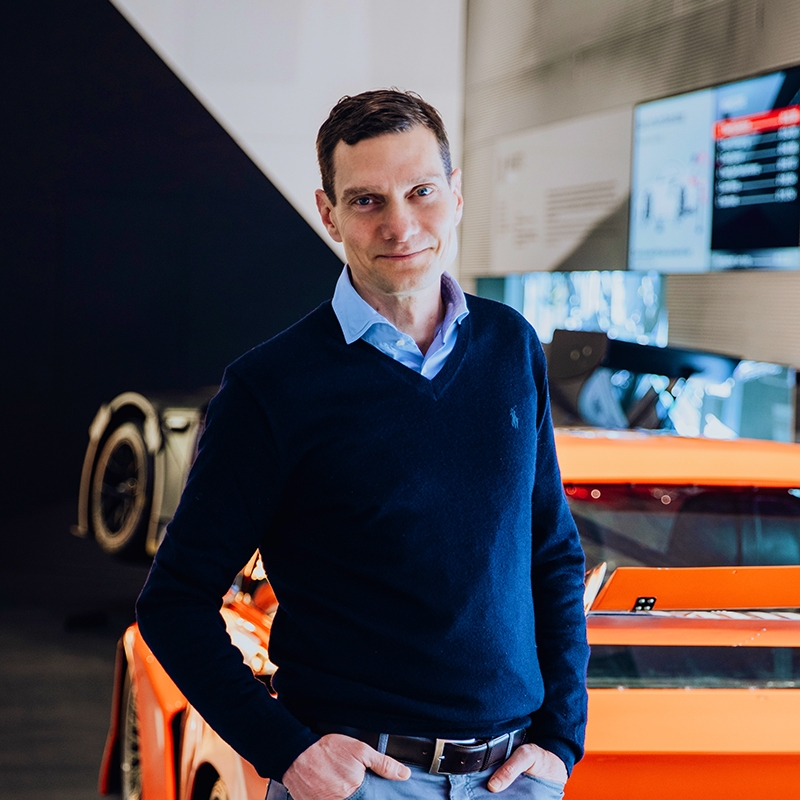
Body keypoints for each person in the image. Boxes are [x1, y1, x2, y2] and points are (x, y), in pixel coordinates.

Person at [136, 89, 589, 800]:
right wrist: (288, 752)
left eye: (421, 192)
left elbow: (552, 553)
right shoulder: (272, 387)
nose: (400, 225)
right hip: (361, 782)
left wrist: (561, 738)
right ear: (329, 213)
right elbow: (173, 602)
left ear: (457, 195)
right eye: (368, 201)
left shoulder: (510, 346)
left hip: (512, 779)